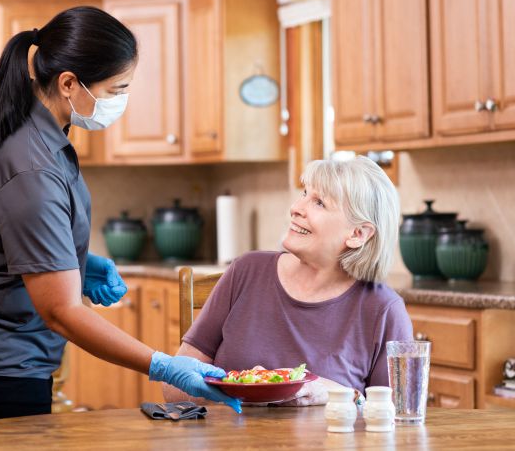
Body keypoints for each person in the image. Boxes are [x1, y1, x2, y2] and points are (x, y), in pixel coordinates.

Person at [0, 6, 240, 429]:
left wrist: (76, 265)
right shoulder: (32, 165)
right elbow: (62, 311)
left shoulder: (31, 133)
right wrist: (163, 364)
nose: (120, 101)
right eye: (116, 88)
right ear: (69, 83)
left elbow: (10, 243)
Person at [164, 156, 413, 406]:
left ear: (358, 234)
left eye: (319, 203)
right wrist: (242, 389)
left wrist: (341, 395)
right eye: (304, 193)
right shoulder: (246, 271)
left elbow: (397, 422)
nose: (296, 207)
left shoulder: (383, 309)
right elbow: (173, 387)